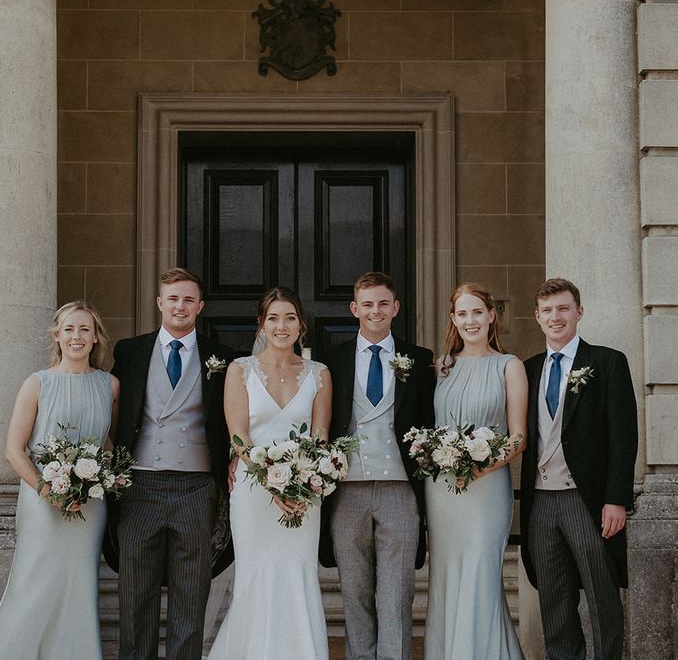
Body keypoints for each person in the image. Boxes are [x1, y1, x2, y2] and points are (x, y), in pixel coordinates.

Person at [0, 301, 118, 660]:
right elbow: (13, 450)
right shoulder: (37, 383)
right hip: (42, 503)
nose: (77, 336)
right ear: (57, 335)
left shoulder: (110, 385)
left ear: (96, 336)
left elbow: (109, 444)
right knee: (34, 583)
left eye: (85, 329)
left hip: (90, 504)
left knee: (79, 584)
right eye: (70, 329)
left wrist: (100, 478)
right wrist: (46, 489)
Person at [104, 268, 234, 660]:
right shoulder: (130, 351)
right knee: (136, 596)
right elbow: (109, 405)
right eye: (173, 298)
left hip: (196, 487)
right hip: (139, 486)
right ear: (160, 302)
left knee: (191, 596)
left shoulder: (223, 357)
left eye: (188, 299)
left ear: (200, 306)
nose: (180, 306)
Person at [207, 286, 332, 660]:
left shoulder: (319, 373)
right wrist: (273, 484)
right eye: (274, 318)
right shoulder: (240, 370)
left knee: (298, 574)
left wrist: (300, 484)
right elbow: (239, 436)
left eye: (290, 318)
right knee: (255, 575)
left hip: (303, 494)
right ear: (262, 324)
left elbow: (320, 436)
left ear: (301, 326)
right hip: (253, 490)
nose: (282, 326)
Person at [319, 271, 435, 660]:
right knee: (353, 588)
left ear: (396, 308)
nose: (375, 311)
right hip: (346, 488)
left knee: (397, 591)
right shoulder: (330, 360)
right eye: (367, 304)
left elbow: (427, 419)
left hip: (400, 488)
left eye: (383, 303)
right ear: (354, 309)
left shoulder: (419, 359)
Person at [520, 278, 638, 660]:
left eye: (563, 309)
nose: (556, 317)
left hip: (585, 500)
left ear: (579, 312)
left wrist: (616, 500)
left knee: (602, 596)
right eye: (548, 310)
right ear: (537, 317)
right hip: (540, 501)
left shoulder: (606, 362)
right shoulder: (528, 369)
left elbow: (624, 436)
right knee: (554, 600)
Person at [425, 283, 527, 659]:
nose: (470, 320)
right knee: (447, 573)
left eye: (477, 312)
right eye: (462, 314)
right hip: (442, 490)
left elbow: (518, 437)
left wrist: (481, 467)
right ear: (453, 319)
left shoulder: (509, 365)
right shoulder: (440, 366)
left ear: (491, 315)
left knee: (481, 572)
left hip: (487, 489)